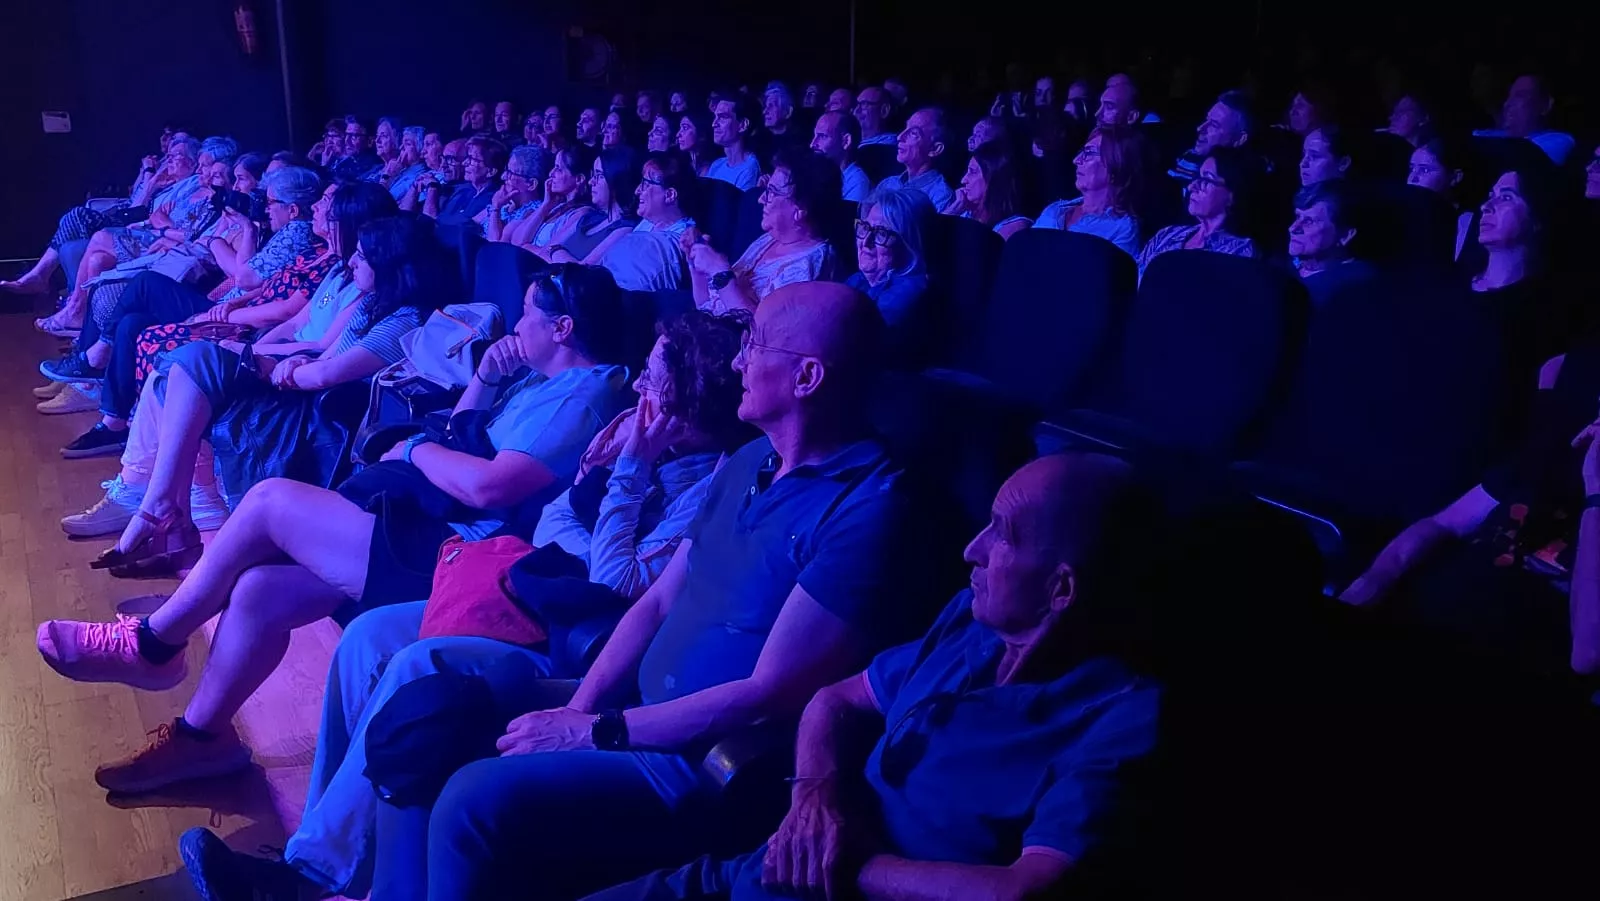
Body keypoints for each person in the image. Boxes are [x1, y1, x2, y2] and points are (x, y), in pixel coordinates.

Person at [367, 282, 939, 901]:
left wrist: (595, 731)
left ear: (806, 377)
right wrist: (579, 710)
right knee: (421, 724)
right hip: (625, 710)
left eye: (757, 345)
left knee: (471, 801)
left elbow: (765, 694)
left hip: (694, 760)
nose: (741, 361)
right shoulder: (748, 461)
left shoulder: (868, 510)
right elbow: (658, 601)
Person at [177, 312, 756, 901]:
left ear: (686, 402)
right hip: (534, 593)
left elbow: (616, 582)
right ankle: (325, 860)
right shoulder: (633, 442)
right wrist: (591, 480)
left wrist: (623, 475)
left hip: (574, 640)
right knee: (368, 638)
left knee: (418, 664)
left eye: (654, 382)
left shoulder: (707, 480)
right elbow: (552, 527)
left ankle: (309, 877)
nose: (638, 389)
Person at [35, 264, 635, 794]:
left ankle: (154, 643)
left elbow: (491, 487)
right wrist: (486, 379)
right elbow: (460, 432)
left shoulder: (590, 392)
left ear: (563, 329)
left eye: (529, 315)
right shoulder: (536, 378)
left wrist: (411, 450)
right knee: (260, 591)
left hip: (471, 555)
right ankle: (203, 739)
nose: (516, 326)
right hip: (431, 523)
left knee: (270, 502)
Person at [579, 453, 1162, 901]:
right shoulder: (973, 622)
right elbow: (835, 700)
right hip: (767, 867)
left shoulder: (1121, 716)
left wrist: (849, 862)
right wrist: (815, 795)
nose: (971, 549)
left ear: (1061, 588)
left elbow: (1026, 889)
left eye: (1003, 536)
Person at [1341, 347, 1600, 679]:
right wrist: (1372, 582)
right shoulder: (1545, 460)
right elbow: (1442, 523)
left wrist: (1595, 491)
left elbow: (1587, 655)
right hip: (1416, 616)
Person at [687, 147, 840, 314]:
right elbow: (706, 305)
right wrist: (697, 264)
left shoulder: (808, 265)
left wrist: (720, 272)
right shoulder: (769, 239)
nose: (761, 199)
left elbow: (761, 331)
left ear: (800, 209)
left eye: (772, 192)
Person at [1137, 146, 1261, 276]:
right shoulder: (1167, 234)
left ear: (1232, 196)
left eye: (1206, 180)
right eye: (1197, 177)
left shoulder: (1239, 251)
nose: (1192, 186)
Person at [847, 187, 936, 368]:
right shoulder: (859, 279)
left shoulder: (910, 290)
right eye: (865, 227)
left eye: (881, 233)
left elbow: (855, 343)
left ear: (909, 243)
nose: (866, 242)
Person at [1035, 127, 1145, 257]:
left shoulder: (1123, 228)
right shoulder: (1055, 209)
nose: (1076, 160)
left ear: (1116, 165)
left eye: (1088, 153)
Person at [1472, 74, 1577, 165]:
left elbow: (1527, 159)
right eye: (1509, 96)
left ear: (1546, 105)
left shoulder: (1560, 141)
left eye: (1520, 95)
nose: (1507, 104)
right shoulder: (1492, 135)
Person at [944, 141, 1031, 239]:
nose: (963, 180)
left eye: (972, 172)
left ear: (994, 179)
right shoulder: (965, 214)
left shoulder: (1015, 228)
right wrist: (953, 209)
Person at [873, 108, 954, 210]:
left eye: (913, 133)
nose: (900, 137)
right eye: (905, 128)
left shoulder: (940, 196)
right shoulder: (888, 183)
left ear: (935, 149)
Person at [706, 96, 762, 190]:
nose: (714, 124)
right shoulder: (716, 165)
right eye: (715, 117)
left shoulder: (750, 168)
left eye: (723, 117)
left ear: (743, 125)